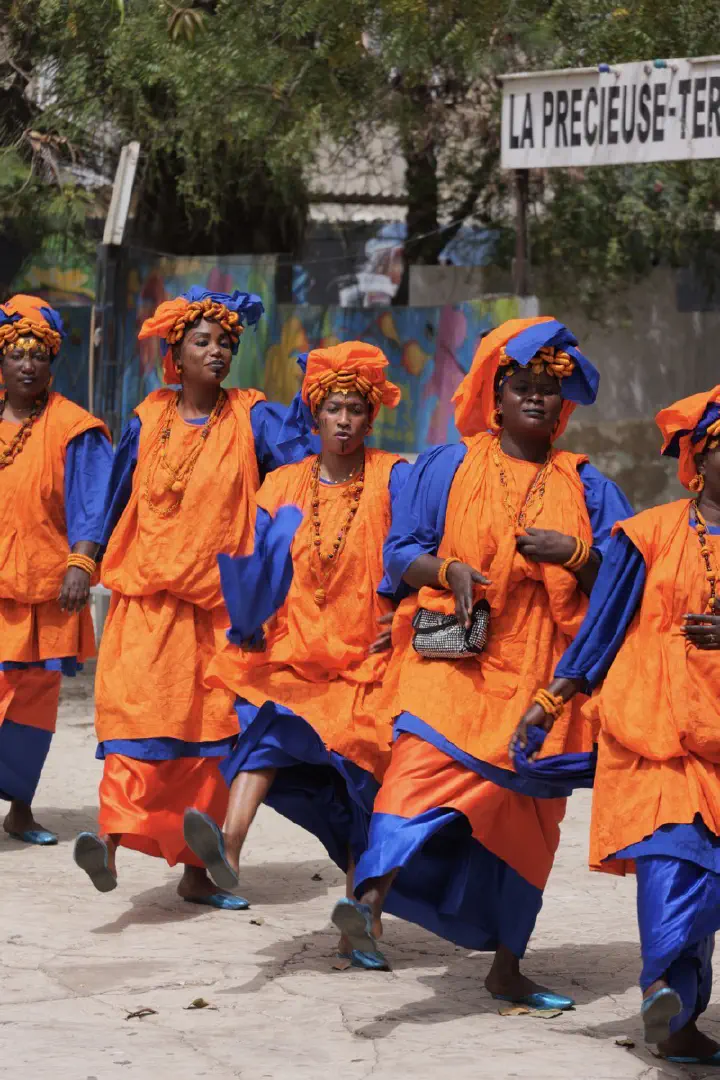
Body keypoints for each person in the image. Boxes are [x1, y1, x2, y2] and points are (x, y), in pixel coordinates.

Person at [332, 317, 633, 1000]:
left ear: (564, 406)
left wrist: (578, 556)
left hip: (540, 682)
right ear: (495, 400)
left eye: (549, 389)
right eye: (522, 386)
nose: (536, 398)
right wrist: (448, 572)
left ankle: (507, 967)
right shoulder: (449, 465)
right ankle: (370, 898)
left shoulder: (589, 487)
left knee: (526, 826)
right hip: (454, 654)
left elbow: (627, 582)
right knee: (413, 769)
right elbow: (399, 552)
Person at [73, 287, 315, 908]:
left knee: (208, 745)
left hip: (218, 611)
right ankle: (111, 840)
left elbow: (301, 468)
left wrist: (312, 392)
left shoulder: (254, 416)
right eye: (202, 341)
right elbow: (115, 494)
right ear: (175, 352)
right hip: (145, 603)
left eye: (226, 342)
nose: (217, 351)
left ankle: (197, 873)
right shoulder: (147, 417)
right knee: (134, 725)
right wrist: (85, 557)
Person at [512, 386, 720, 1064]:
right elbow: (604, 625)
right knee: (670, 857)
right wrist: (550, 702)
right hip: (649, 725)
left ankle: (681, 1024)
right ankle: (662, 987)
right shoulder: (651, 533)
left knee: (709, 876)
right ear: (698, 458)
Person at [183, 342, 409, 964]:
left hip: (367, 656)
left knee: (366, 781)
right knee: (267, 726)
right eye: (333, 408)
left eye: (355, 409)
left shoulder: (395, 476)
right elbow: (260, 565)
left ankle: (362, 917)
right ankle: (228, 847)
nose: (343, 420)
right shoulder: (281, 482)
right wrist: (251, 618)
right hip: (294, 646)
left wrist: (409, 616)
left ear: (370, 417)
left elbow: (416, 551)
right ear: (314, 414)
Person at [0, 294, 112, 844]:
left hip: (49, 588)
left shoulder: (76, 427)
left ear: (51, 362)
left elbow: (94, 503)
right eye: (17, 353)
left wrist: (81, 563)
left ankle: (20, 809)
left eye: (38, 354)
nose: (27, 364)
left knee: (33, 704)